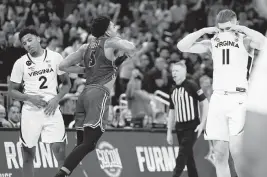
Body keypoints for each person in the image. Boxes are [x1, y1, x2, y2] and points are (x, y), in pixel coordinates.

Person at [177, 9, 265, 177]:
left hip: (238, 99)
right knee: (219, 153)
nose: (225, 33)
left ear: (236, 24)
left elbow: (263, 43)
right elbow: (182, 46)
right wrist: (204, 31)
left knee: (238, 155)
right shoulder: (213, 43)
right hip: (218, 98)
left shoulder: (246, 40)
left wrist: (241, 29)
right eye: (222, 29)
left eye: (229, 28)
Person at [54, 15, 136, 177]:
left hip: (83, 95)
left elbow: (62, 66)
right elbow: (131, 46)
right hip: (98, 94)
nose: (115, 29)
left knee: (84, 144)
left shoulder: (86, 47)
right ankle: (60, 175)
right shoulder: (110, 42)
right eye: (113, 26)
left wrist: (87, 70)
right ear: (106, 30)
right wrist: (120, 41)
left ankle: (64, 173)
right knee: (89, 142)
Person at [8, 27, 71, 177]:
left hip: (52, 109)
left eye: (30, 40)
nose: (27, 44)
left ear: (38, 39)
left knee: (60, 151)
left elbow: (67, 84)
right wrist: (30, 98)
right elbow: (12, 91)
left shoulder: (56, 57)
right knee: (28, 155)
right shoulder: (20, 63)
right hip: (30, 112)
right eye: (24, 43)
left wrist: (56, 99)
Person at [167, 62, 208, 177]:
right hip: (179, 127)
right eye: (173, 71)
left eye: (177, 71)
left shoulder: (191, 85)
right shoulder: (172, 90)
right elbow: (172, 111)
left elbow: (205, 102)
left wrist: (202, 123)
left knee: (182, 156)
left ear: (184, 72)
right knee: (188, 158)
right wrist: (169, 131)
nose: (174, 73)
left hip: (192, 126)